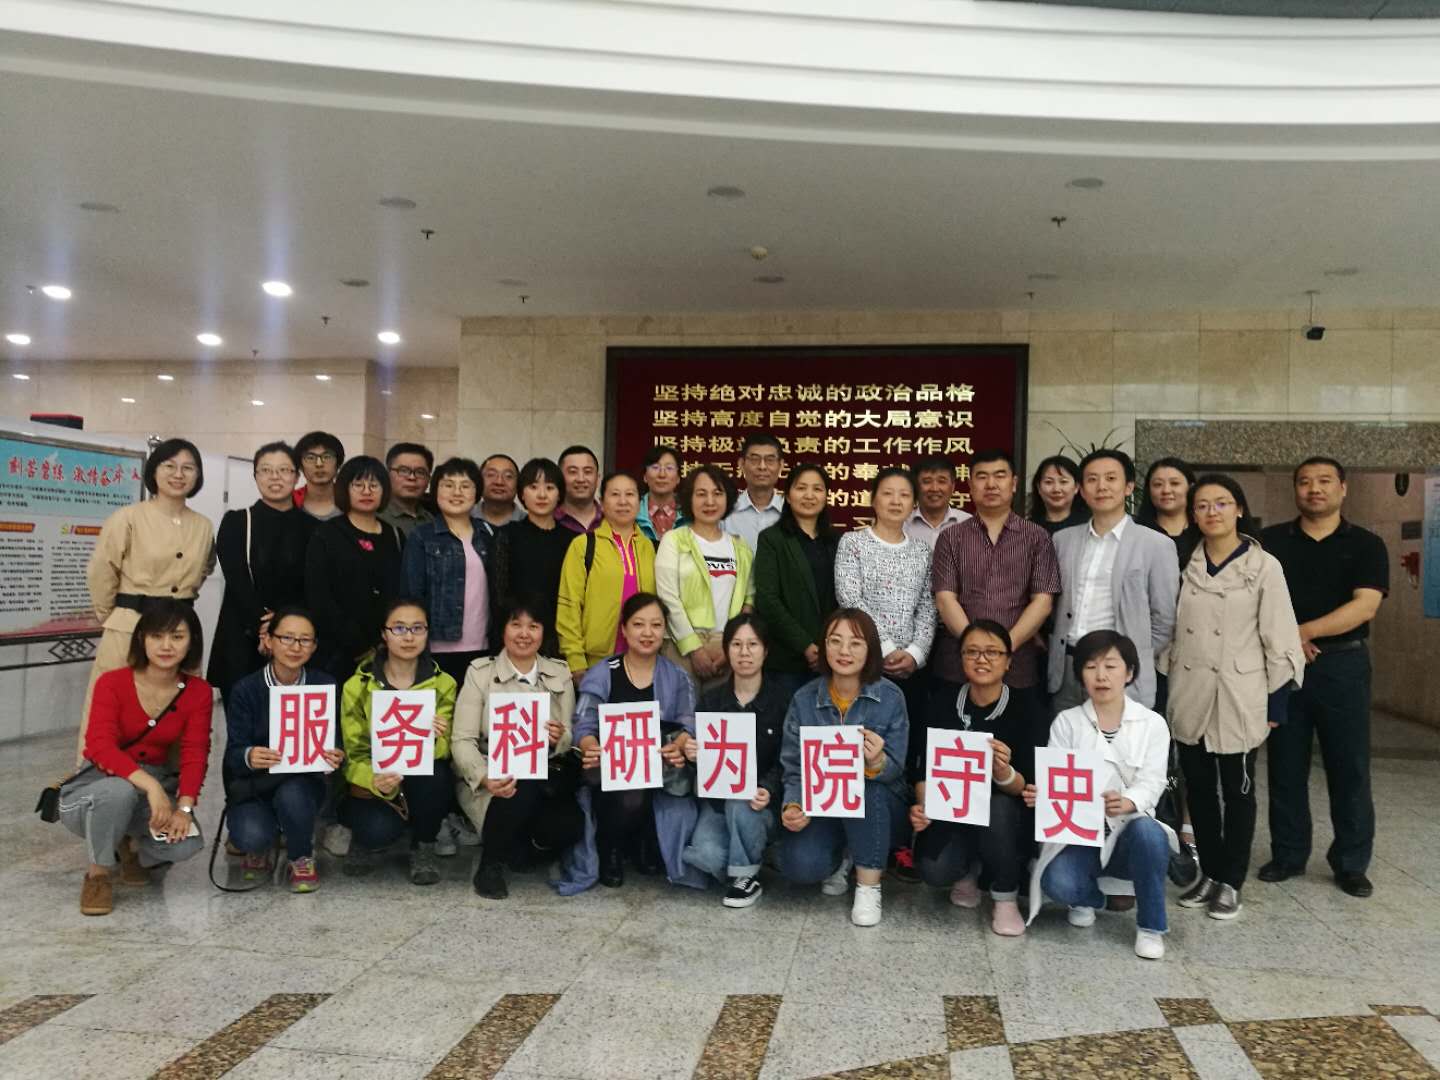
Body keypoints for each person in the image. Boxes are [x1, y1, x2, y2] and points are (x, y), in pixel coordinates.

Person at [1162, 475, 1304, 921]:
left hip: (1240, 694)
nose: (1212, 512)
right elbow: (1169, 632)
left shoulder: (1265, 567)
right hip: (1191, 690)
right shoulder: (1184, 562)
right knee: (1199, 790)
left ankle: (1231, 882)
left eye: (1222, 503)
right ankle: (1209, 873)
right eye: (1202, 505)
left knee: (1238, 791)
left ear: (1239, 508)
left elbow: (1280, 638)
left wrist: (1276, 705)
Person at [1259, 457, 1389, 898]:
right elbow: (1255, 600)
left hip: (1342, 666)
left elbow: (1365, 605)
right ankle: (1288, 855)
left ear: (1343, 488)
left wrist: (1304, 632)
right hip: (1283, 667)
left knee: (1349, 766)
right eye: (1305, 482)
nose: (1314, 489)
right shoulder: (1270, 542)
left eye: (1324, 481)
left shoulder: (1367, 544)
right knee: (1285, 764)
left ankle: (1351, 863)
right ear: (1295, 489)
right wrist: (1289, 641)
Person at [1025, 630, 1177, 960]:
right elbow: (1056, 778)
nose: (1101, 676)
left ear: (1130, 673)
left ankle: (1151, 927)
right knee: (1056, 882)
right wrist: (1042, 795)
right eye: (1091, 667)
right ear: (1081, 675)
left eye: (1111, 666)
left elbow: (1153, 781)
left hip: (1128, 831)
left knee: (1149, 834)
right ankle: (1091, 899)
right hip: (1080, 834)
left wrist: (1130, 801)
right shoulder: (1067, 722)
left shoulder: (1152, 723)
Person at [60, 600, 212, 915]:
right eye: (157, 636)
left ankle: (130, 848)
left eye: (177, 637)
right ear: (142, 639)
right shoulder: (112, 682)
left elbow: (195, 752)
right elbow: (99, 746)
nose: (166, 646)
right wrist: (152, 787)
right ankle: (98, 875)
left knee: (187, 843)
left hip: (150, 788)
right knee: (118, 792)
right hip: (97, 786)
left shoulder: (198, 691)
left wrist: (184, 808)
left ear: (192, 641)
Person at [82, 437, 215, 760]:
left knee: (177, 711)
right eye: (169, 466)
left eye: (188, 468)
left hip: (180, 631)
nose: (178, 474)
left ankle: (173, 785)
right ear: (154, 471)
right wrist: (114, 617)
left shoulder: (203, 525)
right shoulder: (128, 518)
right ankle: (101, 781)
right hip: (131, 629)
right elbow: (101, 571)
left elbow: (205, 568)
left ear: (198, 476)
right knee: (113, 713)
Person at [779, 608, 910, 927]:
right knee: (799, 866)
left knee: (867, 784)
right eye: (835, 641)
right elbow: (794, 766)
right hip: (825, 805)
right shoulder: (804, 699)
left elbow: (896, 767)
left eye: (855, 643)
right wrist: (793, 804)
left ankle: (868, 886)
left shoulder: (891, 697)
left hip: (879, 807)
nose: (844, 651)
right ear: (824, 647)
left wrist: (877, 762)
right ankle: (845, 854)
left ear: (870, 649)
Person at [568, 593, 704, 890]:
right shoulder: (603, 673)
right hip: (609, 772)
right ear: (624, 629)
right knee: (628, 792)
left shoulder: (677, 676)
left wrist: (680, 744)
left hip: (662, 770)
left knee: (661, 802)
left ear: (665, 630)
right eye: (639, 624)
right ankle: (611, 849)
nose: (647, 632)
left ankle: (644, 840)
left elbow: (688, 725)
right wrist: (591, 746)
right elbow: (584, 724)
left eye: (656, 625)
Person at [911, 621, 1037, 936]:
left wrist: (1004, 773)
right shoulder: (941, 702)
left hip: (1003, 819)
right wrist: (924, 805)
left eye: (992, 652)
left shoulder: (1027, 708)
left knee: (1000, 807)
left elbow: (1028, 787)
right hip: (952, 813)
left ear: (1008, 661)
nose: (982, 659)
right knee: (933, 870)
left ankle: (1005, 895)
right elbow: (923, 767)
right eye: (972, 652)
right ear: (961, 658)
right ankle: (967, 870)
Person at [451, 597, 583, 899]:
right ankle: (490, 865)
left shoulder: (559, 672)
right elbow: (462, 740)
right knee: (519, 787)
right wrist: (484, 776)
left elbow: (570, 733)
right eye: (516, 625)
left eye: (533, 626)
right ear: (503, 630)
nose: (524, 634)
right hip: (492, 777)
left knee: (570, 824)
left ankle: (524, 851)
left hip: (545, 773)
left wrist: (559, 737)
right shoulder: (480, 673)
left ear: (543, 633)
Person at [932, 448, 1060, 720]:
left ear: (1014, 483)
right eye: (982, 477)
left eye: (1000, 476)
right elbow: (944, 599)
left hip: (1018, 666)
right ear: (970, 486)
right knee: (954, 741)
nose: (991, 484)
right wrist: (974, 650)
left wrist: (1002, 651)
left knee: (1015, 741)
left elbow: (1043, 601)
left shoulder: (1037, 538)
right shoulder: (951, 537)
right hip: (956, 666)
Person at [221, 606, 342, 892]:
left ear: (314, 646)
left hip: (302, 784)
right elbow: (233, 754)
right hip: (256, 786)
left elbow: (336, 740)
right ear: (269, 640)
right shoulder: (246, 689)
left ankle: (300, 856)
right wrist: (250, 755)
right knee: (251, 836)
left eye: (305, 640)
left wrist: (336, 754)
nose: (295, 647)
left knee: (294, 795)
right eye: (287, 638)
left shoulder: (324, 684)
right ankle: (262, 846)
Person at [338, 598, 457, 885]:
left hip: (420, 775)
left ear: (427, 633)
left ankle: (423, 845)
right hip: (377, 778)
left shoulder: (444, 683)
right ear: (384, 634)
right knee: (377, 830)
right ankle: (363, 840)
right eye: (399, 628)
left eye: (417, 628)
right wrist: (372, 779)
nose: (408, 637)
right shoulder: (358, 685)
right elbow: (353, 754)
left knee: (439, 776)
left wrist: (437, 738)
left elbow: (448, 749)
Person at [1047, 449, 1178, 711]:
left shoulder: (1156, 544)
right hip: (1067, 669)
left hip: (1122, 673)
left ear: (1128, 487)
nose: (1101, 486)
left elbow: (1164, 619)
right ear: (1081, 490)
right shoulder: (1062, 541)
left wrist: (1131, 658)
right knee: (1066, 736)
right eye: (1092, 479)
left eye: (1110, 478)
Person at [680, 614, 787, 907]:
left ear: (765, 650)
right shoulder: (711, 701)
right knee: (706, 856)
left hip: (760, 805)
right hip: (718, 804)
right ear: (726, 650)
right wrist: (693, 755)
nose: (744, 652)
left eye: (753, 644)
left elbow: (789, 758)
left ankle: (745, 879)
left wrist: (768, 788)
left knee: (741, 804)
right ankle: (755, 855)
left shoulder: (782, 701)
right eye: (737, 644)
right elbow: (703, 766)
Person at [208, 441, 316, 705]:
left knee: (289, 723)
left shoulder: (314, 528)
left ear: (297, 476)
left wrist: (282, 628)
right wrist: (264, 628)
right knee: (243, 722)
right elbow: (237, 580)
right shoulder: (236, 521)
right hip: (242, 639)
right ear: (255, 475)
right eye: (266, 470)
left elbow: (314, 585)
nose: (275, 477)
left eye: (284, 470)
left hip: (294, 641)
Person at [834, 467, 935, 730]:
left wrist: (915, 653)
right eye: (888, 493)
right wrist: (886, 649)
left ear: (914, 504)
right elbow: (850, 597)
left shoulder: (922, 551)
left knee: (905, 738)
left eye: (904, 495)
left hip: (910, 668)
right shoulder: (853, 542)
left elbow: (927, 606)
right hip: (863, 661)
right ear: (873, 499)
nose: (895, 501)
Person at [655, 465, 756, 687]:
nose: (710, 501)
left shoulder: (740, 547)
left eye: (717, 493)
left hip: (725, 649)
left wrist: (731, 644)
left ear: (728, 499)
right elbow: (667, 597)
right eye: (701, 494)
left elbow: (748, 600)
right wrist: (694, 648)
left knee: (721, 710)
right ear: (689, 499)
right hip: (680, 645)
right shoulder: (674, 540)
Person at [305, 455, 404, 678]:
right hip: (337, 651)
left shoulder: (395, 535)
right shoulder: (326, 534)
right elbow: (318, 596)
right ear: (345, 489)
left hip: (388, 649)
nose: (366, 491)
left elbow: (402, 593)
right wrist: (358, 644)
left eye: (374, 485)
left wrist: (386, 640)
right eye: (358, 485)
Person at [556, 471, 658, 680]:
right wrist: (575, 660)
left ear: (639, 502)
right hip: (596, 663)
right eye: (615, 494)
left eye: (630, 494)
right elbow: (569, 605)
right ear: (602, 503)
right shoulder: (584, 545)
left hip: (644, 660)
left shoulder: (651, 547)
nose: (623, 501)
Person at [401, 457, 493, 685]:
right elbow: (412, 594)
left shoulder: (489, 535)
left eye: (465, 486)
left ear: (477, 493)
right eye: (448, 485)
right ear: (436, 491)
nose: (457, 492)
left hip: (484, 645)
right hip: (436, 647)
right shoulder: (422, 536)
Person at [753, 463, 839, 697]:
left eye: (817, 489)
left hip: (832, 658)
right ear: (788, 496)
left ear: (826, 496)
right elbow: (768, 600)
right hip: (787, 661)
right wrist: (806, 645)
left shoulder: (837, 540)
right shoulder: (772, 539)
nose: (809, 495)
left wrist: (828, 646)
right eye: (801, 488)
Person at [493, 457, 573, 657]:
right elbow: (499, 594)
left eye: (550, 487)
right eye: (533, 487)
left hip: (560, 639)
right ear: (522, 493)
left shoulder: (573, 541)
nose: (542, 495)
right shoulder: (507, 535)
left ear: (560, 494)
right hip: (517, 637)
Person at [724, 432, 784, 552]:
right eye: (754, 459)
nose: (762, 466)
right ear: (741, 464)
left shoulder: (791, 512)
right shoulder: (725, 511)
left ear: (781, 465)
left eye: (770, 460)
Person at [1136, 457, 1200, 569]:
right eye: (1158, 484)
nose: (1166, 490)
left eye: (1174, 483)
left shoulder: (1204, 530)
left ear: (1191, 487)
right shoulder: (1136, 533)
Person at [904, 454, 971, 549]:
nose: (934, 488)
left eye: (941, 481)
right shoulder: (902, 524)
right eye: (927, 481)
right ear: (916, 486)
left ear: (952, 487)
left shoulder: (968, 523)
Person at [379, 442, 435, 538]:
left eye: (420, 472)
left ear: (428, 479)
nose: (412, 477)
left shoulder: (431, 520)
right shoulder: (375, 517)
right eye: (403, 470)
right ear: (387, 474)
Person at [1027, 455, 1089, 536]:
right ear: (1039, 488)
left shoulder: (1089, 526)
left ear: (1076, 487)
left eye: (1063, 482)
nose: (1056, 489)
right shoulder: (1028, 529)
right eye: (1048, 482)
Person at [637, 444, 687, 542]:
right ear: (645, 476)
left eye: (669, 468)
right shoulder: (633, 511)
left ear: (678, 478)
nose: (662, 475)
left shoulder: (690, 513)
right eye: (655, 467)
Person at [293, 431, 345, 520]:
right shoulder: (289, 503)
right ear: (300, 466)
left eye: (327, 457)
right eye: (310, 458)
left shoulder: (353, 501)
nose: (319, 464)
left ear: (338, 464)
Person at [555, 445, 602, 534]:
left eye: (587, 472)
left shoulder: (613, 520)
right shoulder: (546, 521)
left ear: (598, 479)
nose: (581, 479)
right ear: (559, 478)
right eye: (573, 472)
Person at [476, 453, 526, 536]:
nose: (499, 482)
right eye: (491, 475)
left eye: (508, 476)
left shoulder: (528, 524)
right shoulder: (463, 519)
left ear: (518, 484)